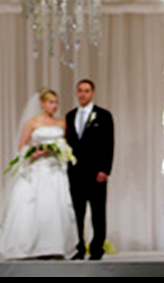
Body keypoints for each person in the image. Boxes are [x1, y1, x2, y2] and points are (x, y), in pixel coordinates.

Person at [0, 89, 78, 260]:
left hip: (55, 169)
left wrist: (61, 152)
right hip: (38, 168)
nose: (54, 106)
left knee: (55, 205)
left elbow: (67, 145)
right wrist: (32, 153)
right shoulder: (33, 122)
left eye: (56, 102)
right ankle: (27, 245)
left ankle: (54, 245)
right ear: (42, 103)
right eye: (50, 102)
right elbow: (22, 145)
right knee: (33, 204)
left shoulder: (61, 123)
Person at [65, 79, 114, 260]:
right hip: (76, 173)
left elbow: (109, 144)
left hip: (96, 173)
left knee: (98, 212)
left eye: (86, 91)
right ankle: (78, 247)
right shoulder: (70, 116)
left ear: (92, 92)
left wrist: (105, 170)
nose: (83, 94)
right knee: (77, 212)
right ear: (77, 93)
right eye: (80, 91)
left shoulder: (103, 115)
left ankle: (97, 247)